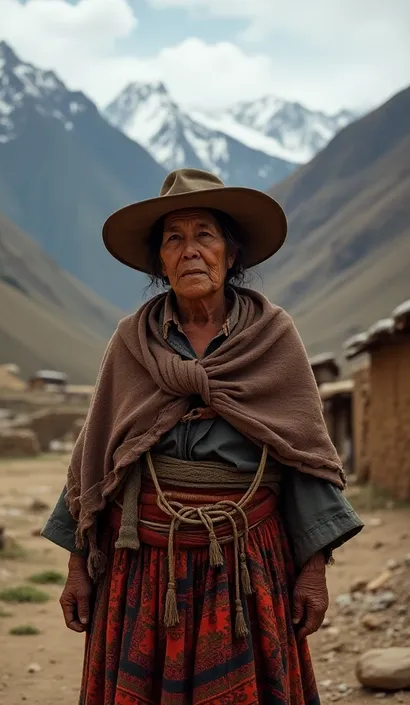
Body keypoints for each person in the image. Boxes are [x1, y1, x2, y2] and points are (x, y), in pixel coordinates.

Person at [42, 168, 363, 705]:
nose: (190, 250)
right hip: (142, 564)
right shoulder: (132, 343)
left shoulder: (273, 337)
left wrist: (313, 570)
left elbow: (302, 452)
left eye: (204, 235)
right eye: (174, 239)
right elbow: (96, 456)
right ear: (160, 262)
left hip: (245, 563)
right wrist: (78, 565)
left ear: (230, 255)